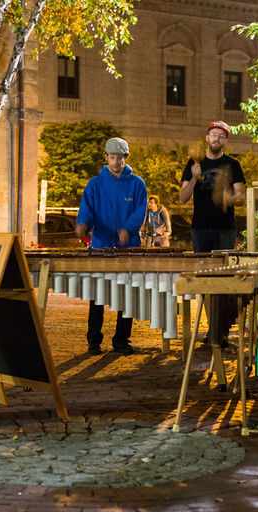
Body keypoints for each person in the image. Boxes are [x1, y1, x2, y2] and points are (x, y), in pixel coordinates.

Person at [75, 137, 147, 355]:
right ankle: (93, 341)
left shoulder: (137, 184)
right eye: (113, 157)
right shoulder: (94, 184)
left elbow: (140, 212)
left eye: (120, 158)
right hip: (100, 247)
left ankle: (121, 341)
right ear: (106, 157)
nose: (116, 162)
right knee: (97, 297)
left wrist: (129, 228)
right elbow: (87, 209)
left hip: (129, 248)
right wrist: (82, 224)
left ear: (127, 158)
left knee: (126, 297)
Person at [179, 121, 245, 347]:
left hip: (225, 228)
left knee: (225, 280)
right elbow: (183, 198)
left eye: (221, 136)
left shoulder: (233, 164)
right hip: (201, 229)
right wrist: (195, 178)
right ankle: (212, 329)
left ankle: (221, 331)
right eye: (213, 135)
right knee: (205, 281)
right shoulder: (193, 163)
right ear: (207, 138)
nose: (216, 139)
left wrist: (229, 198)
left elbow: (241, 195)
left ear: (226, 140)